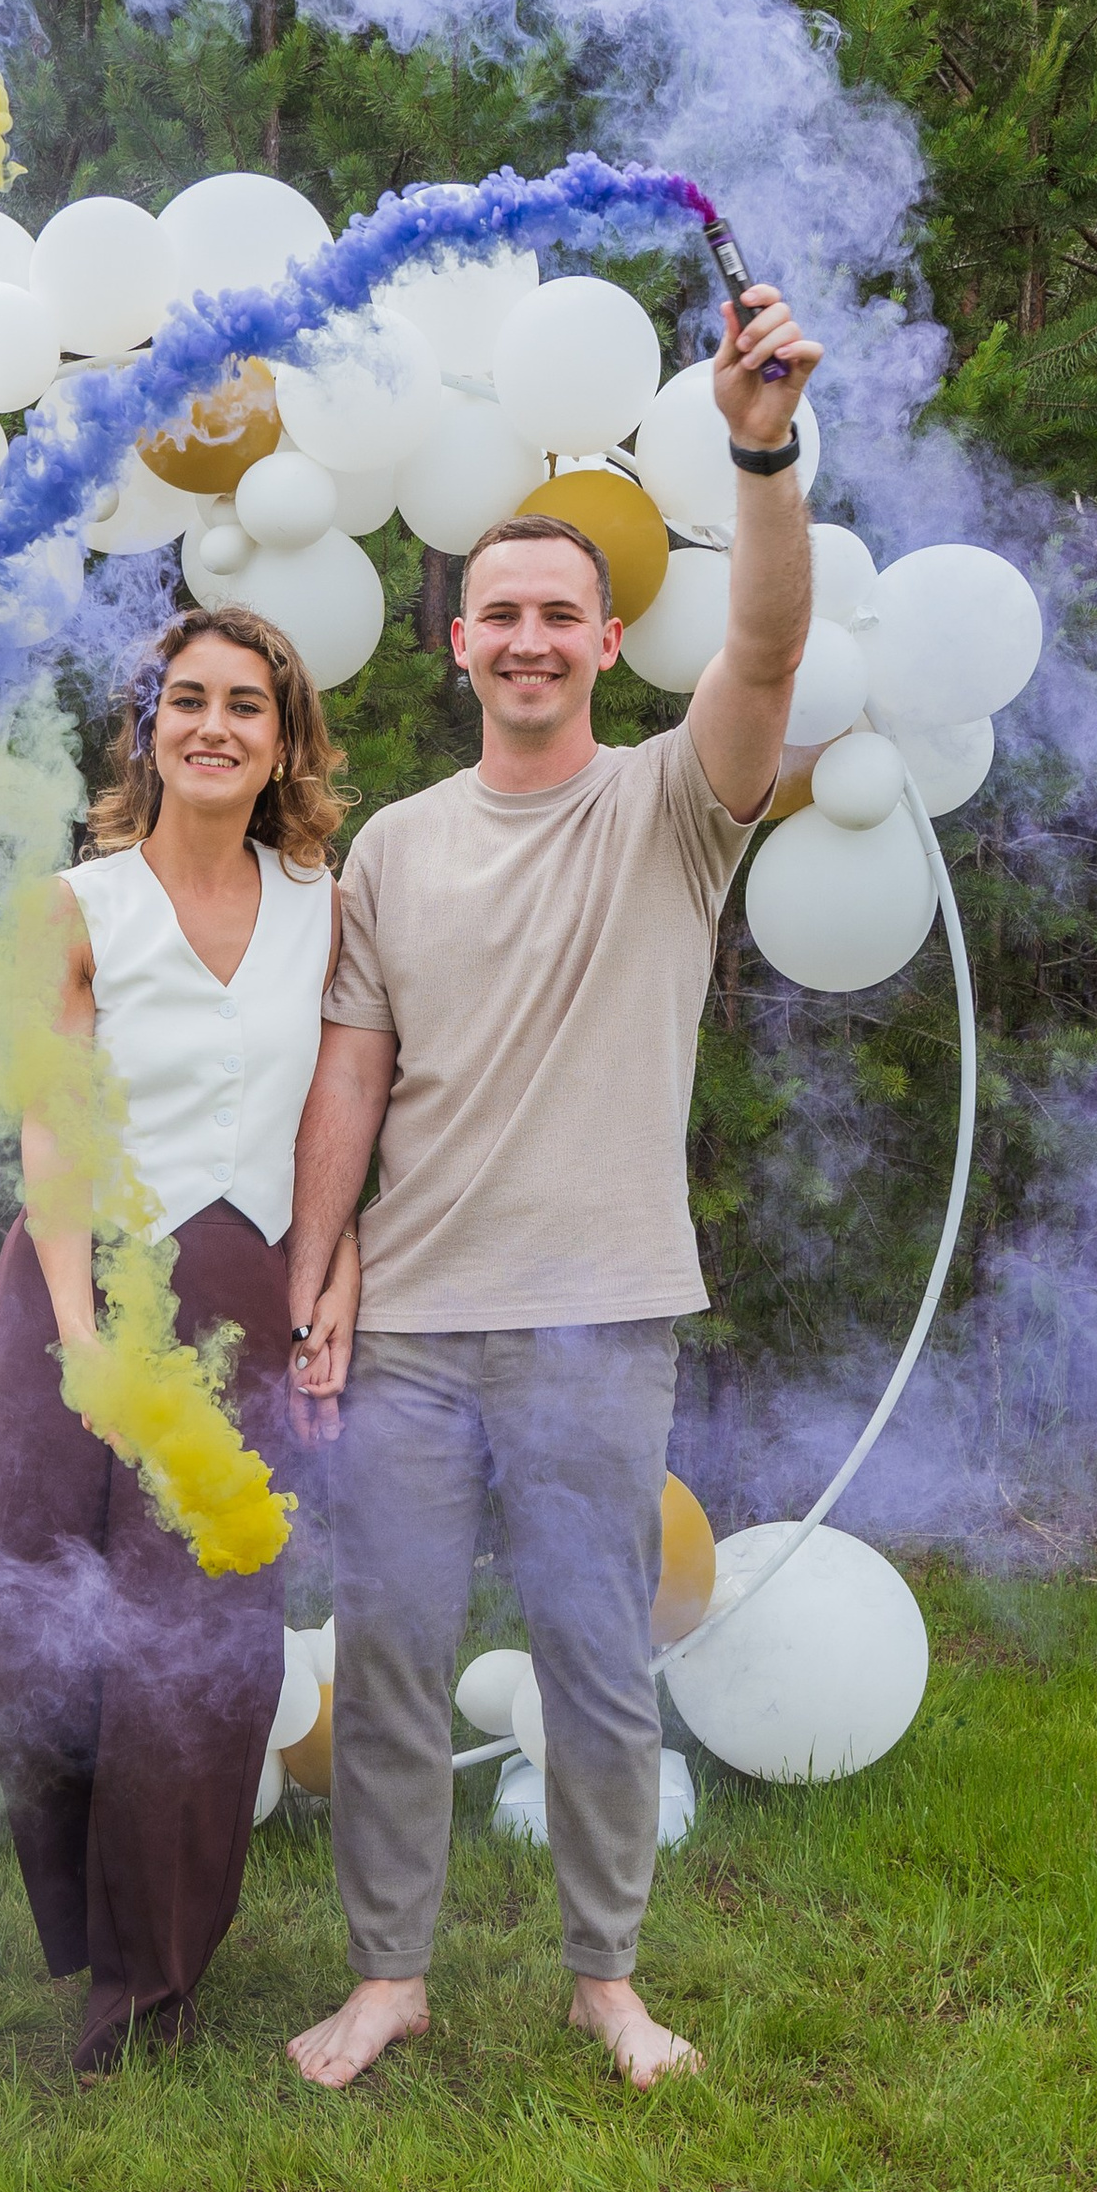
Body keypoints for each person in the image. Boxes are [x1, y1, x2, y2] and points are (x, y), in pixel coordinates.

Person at [281, 278, 822, 2090]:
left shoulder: (673, 810)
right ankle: (389, 1980)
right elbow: (354, 1071)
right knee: (390, 1657)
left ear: (608, 642)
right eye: (499, 614)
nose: (527, 639)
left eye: (557, 616)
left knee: (596, 1658)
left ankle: (608, 1981)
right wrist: (319, 1272)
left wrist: (758, 457)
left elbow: (766, 657)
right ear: (457, 645)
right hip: (414, 1331)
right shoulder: (392, 847)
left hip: (600, 1318)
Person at [0, 605, 356, 2076]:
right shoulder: (79, 905)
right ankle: (87, 1904)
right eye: (188, 699)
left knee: (195, 1635)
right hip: (80, 1276)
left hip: (240, 1288)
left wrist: (336, 1271)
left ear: (285, 741)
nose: (214, 725)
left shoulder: (325, 904)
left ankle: (150, 1982)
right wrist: (78, 1340)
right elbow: (51, 1124)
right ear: (149, 729)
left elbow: (351, 1107)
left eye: (248, 703)